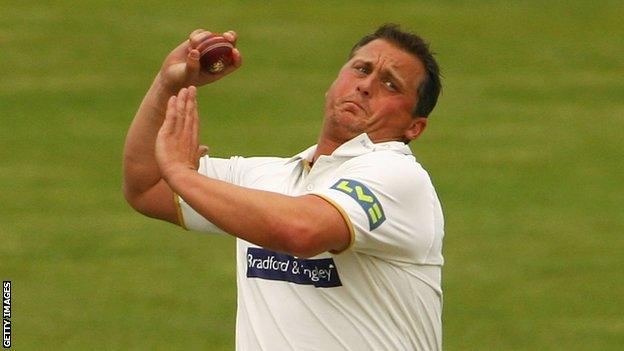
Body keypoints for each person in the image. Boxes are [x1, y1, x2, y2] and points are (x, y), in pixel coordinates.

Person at [123, 24, 444, 351]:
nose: (365, 85)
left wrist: (181, 172)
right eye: (361, 69)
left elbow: (302, 231)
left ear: (414, 127)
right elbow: (147, 187)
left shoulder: (399, 176)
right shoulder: (265, 177)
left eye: (390, 84)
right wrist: (167, 85)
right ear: (333, 84)